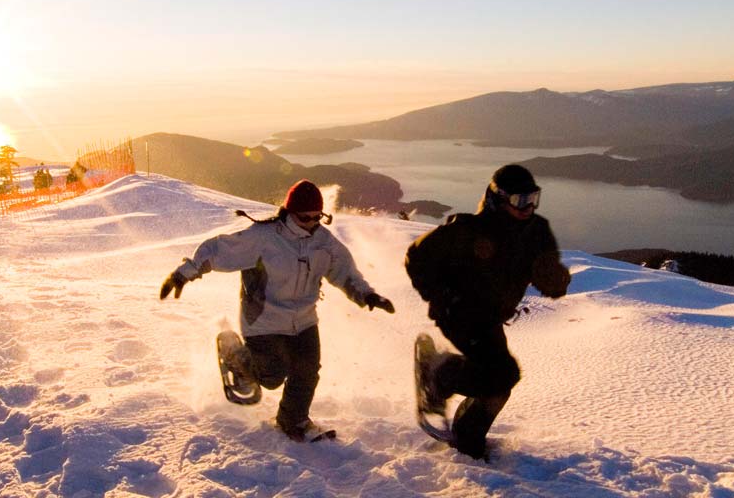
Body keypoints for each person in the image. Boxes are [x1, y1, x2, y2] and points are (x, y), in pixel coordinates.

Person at [158, 179, 395, 441]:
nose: (312, 223)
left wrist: (367, 295)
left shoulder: (324, 243)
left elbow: (345, 272)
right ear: (290, 213)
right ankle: (234, 353)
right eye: (305, 217)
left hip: (304, 320)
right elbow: (218, 250)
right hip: (263, 321)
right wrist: (183, 274)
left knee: (306, 370)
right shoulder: (264, 237)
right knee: (272, 377)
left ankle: (293, 421)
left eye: (318, 217)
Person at [404, 164, 571, 459]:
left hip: (490, 318)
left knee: (501, 382)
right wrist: (440, 295)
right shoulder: (468, 229)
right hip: (458, 314)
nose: (528, 207)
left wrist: (554, 279)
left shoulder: (537, 231)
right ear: (498, 198)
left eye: (533, 198)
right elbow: (416, 256)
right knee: (502, 373)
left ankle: (468, 438)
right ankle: (438, 373)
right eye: (521, 200)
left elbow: (550, 276)